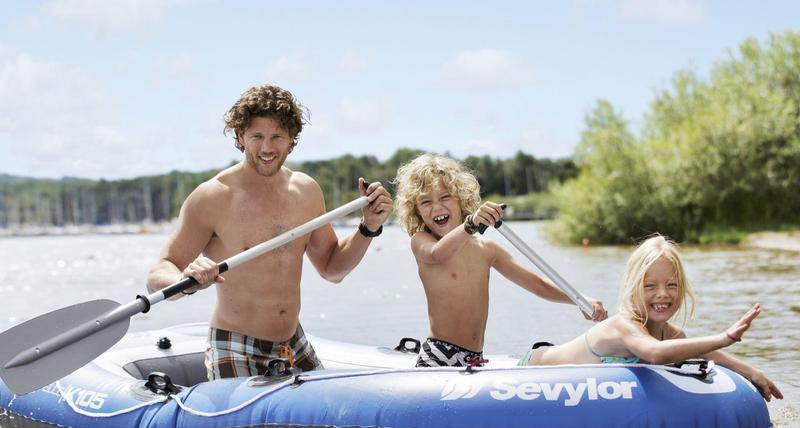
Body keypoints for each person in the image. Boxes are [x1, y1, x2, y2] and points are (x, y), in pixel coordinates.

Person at [146, 84, 393, 379]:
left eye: (277, 136)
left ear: (291, 140)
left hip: (293, 345)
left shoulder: (306, 191)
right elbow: (158, 274)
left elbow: (332, 269)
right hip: (235, 346)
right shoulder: (211, 197)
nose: (267, 148)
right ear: (240, 137)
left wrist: (369, 226)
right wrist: (185, 281)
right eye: (257, 137)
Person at [394, 153, 607, 368]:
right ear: (417, 211)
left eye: (445, 197)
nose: (437, 207)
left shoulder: (487, 250)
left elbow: (538, 285)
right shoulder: (422, 241)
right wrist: (470, 225)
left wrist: (580, 299)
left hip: (475, 359)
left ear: (461, 198)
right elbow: (438, 254)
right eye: (426, 202)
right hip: (438, 356)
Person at [521, 234, 783, 401]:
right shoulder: (624, 326)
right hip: (534, 369)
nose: (662, 294)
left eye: (671, 285)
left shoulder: (672, 335)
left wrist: (752, 372)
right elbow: (655, 353)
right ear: (633, 289)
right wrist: (724, 337)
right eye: (650, 286)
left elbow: (708, 356)